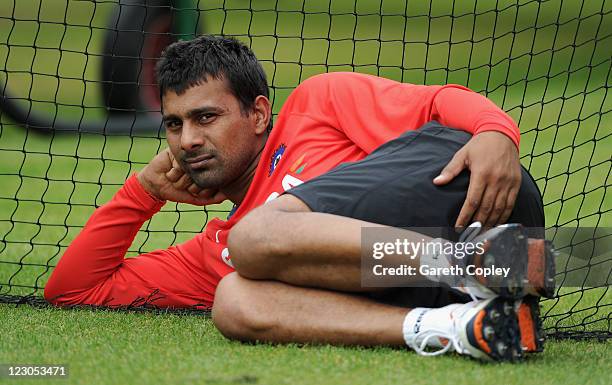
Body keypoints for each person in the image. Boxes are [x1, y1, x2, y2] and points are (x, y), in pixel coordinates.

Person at [43, 35, 553, 362]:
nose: (187, 140)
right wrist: (142, 193)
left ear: (260, 114)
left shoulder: (317, 104)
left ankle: (482, 262)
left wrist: (494, 131)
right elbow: (72, 291)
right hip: (431, 284)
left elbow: (436, 103)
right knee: (234, 302)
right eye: (174, 125)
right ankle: (464, 327)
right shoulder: (212, 249)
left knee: (255, 236)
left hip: (475, 193)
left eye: (205, 118)